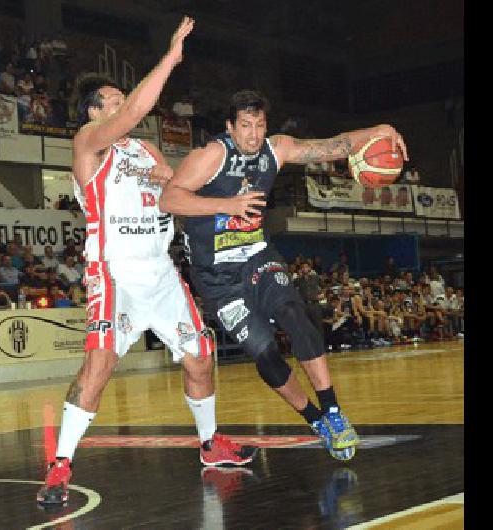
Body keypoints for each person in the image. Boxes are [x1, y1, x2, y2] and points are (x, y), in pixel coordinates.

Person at [37, 17, 258, 508]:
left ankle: (210, 445)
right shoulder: (88, 142)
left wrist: (224, 191)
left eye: (121, 99)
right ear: (96, 111)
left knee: (200, 357)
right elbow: (139, 107)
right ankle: (60, 465)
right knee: (98, 367)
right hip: (114, 272)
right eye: (114, 100)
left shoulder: (143, 148)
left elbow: (175, 190)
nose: (123, 104)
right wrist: (171, 58)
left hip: (160, 271)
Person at [160, 88, 409, 461]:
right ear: (230, 127)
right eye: (245, 126)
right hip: (217, 277)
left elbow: (334, 146)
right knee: (266, 354)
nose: (253, 134)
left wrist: (382, 130)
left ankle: (335, 413)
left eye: (259, 125)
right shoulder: (211, 155)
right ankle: (315, 419)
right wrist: (228, 205)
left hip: (257, 257)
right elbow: (170, 198)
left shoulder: (276, 149)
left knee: (295, 313)